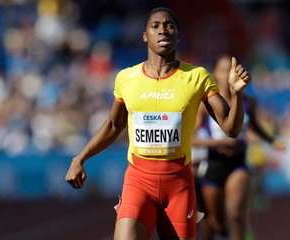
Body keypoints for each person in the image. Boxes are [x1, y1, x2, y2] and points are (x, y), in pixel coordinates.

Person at [65, 7, 251, 240]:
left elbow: (231, 129)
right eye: (155, 26)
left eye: (169, 25)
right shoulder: (126, 78)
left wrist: (237, 95)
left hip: (179, 185)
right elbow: (114, 125)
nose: (162, 30)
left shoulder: (197, 77)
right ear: (145, 35)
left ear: (178, 35)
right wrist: (79, 158)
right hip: (138, 181)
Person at [192, 55, 286, 240]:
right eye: (223, 69)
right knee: (215, 223)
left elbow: (255, 126)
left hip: (238, 163)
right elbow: (190, 138)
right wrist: (219, 143)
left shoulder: (248, 103)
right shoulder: (205, 104)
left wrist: (271, 140)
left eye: (232, 69)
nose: (228, 74)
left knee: (236, 214)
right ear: (215, 75)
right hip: (213, 164)